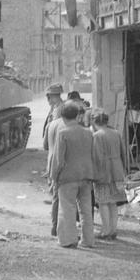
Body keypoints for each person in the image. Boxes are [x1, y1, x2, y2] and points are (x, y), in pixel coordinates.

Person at [48, 101, 97, 248]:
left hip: (68, 177)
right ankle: (88, 240)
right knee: (86, 210)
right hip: (86, 176)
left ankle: (68, 240)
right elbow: (93, 155)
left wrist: (54, 177)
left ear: (62, 117)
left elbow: (58, 159)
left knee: (67, 208)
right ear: (77, 116)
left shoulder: (63, 134)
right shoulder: (89, 132)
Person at [91, 110, 129, 240]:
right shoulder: (116, 133)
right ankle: (113, 230)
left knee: (103, 202)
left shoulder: (97, 136)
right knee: (113, 202)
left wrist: (93, 174)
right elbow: (123, 153)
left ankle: (105, 231)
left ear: (95, 122)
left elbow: (97, 157)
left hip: (104, 172)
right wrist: (123, 170)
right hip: (117, 171)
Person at [42, 83, 65, 236]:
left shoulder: (59, 110)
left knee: (58, 194)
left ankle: (56, 226)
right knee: (57, 193)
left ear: (53, 96)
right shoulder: (56, 108)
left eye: (49, 96)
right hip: (53, 152)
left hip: (56, 154)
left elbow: (55, 133)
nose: (48, 99)